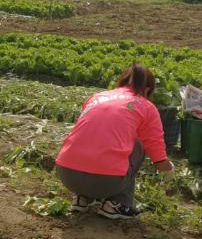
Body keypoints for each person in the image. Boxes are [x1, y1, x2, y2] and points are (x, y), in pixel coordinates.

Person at [55, 63, 173, 220]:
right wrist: (168, 169)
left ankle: (83, 198)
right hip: (106, 182)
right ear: (147, 90)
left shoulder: (97, 97)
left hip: (66, 174)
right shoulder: (146, 106)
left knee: (93, 137)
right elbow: (157, 152)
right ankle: (118, 204)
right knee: (138, 144)